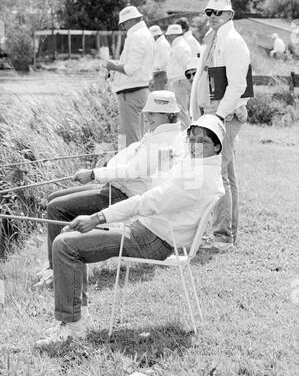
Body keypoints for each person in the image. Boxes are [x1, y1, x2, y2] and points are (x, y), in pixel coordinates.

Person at [35, 114, 225, 346]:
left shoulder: (196, 178)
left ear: (217, 145)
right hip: (152, 230)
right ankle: (77, 318)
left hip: (152, 239)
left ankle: (74, 328)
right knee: (66, 238)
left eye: (202, 141)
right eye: (192, 138)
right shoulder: (199, 166)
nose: (194, 145)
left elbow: (146, 202)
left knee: (65, 245)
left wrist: (97, 218)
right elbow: (155, 185)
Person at [35, 91, 183, 290]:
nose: (147, 118)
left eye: (153, 114)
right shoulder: (162, 134)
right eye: (147, 113)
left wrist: (94, 173)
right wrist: (105, 166)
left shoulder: (161, 141)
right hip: (117, 187)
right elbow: (134, 160)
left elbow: (132, 171)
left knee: (56, 208)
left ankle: (56, 273)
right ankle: (54, 263)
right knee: (54, 198)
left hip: (123, 194)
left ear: (168, 115)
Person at [190, 0, 250, 251]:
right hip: (213, 111)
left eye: (218, 12)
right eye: (209, 12)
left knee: (217, 172)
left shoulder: (233, 42)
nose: (212, 17)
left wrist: (219, 115)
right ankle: (227, 232)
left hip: (222, 113)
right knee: (226, 173)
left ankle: (223, 236)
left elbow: (238, 84)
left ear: (229, 14)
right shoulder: (213, 39)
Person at [104, 5, 155, 148]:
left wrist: (112, 67)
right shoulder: (146, 34)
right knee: (140, 136)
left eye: (123, 24)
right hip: (141, 90)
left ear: (130, 21)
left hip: (130, 93)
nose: (123, 28)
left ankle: (129, 169)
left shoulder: (135, 36)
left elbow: (131, 69)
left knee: (129, 140)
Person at [165, 24, 192, 129]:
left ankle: (187, 133)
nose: (167, 37)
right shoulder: (179, 45)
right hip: (178, 81)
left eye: (168, 35)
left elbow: (187, 65)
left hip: (180, 81)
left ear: (173, 35)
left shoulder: (180, 46)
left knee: (181, 110)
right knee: (179, 110)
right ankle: (185, 133)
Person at [149, 25, 171, 91]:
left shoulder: (163, 44)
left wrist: (155, 70)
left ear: (155, 35)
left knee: (160, 96)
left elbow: (165, 60)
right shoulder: (159, 43)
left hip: (161, 73)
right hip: (158, 73)